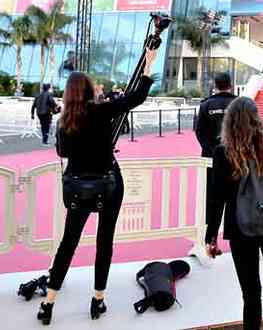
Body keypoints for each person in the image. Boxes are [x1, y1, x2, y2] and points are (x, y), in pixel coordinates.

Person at [37, 48, 158, 325]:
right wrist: (148, 66)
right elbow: (136, 97)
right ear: (91, 90)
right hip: (108, 184)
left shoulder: (65, 121)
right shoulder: (102, 111)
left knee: (68, 243)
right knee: (105, 242)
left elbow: (63, 154)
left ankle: (49, 302)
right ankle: (98, 299)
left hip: (78, 187)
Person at [205, 97, 263, 330]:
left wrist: (211, 235)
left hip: (240, 227)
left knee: (251, 295)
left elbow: (218, 197)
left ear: (230, 122)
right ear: (257, 118)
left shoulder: (223, 152)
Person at [196, 73, 237, 226]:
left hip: (211, 159)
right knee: (235, 194)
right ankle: (234, 233)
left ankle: (210, 237)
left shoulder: (205, 105)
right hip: (235, 157)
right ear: (230, 85)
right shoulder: (238, 104)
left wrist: (213, 152)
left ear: (215, 85)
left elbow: (200, 132)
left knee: (212, 196)